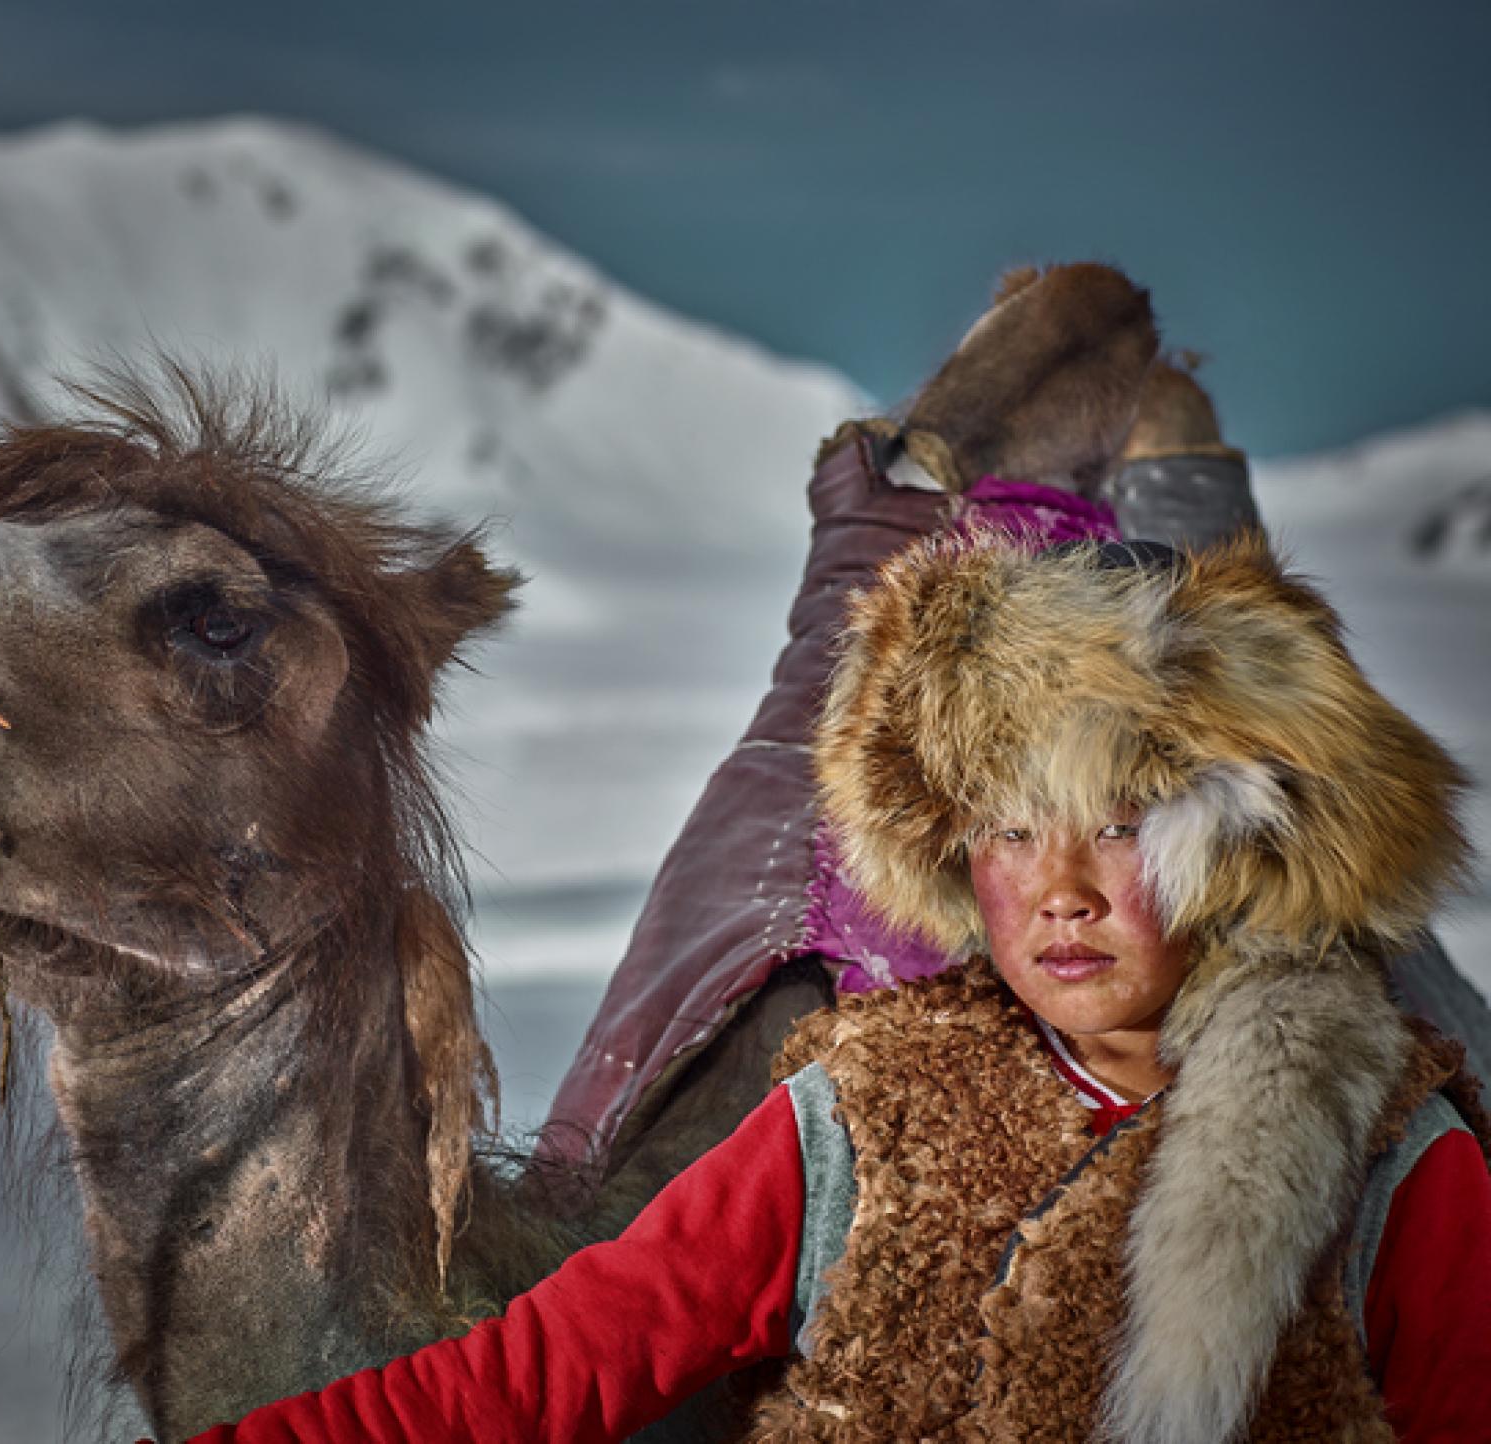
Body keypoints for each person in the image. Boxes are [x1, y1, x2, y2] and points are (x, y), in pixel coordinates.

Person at [180, 531, 1491, 1442]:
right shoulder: (860, 1123)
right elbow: (531, 1381)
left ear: (1243, 843)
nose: (1061, 891)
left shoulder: (1391, 1166)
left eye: (1125, 820)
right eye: (1011, 827)